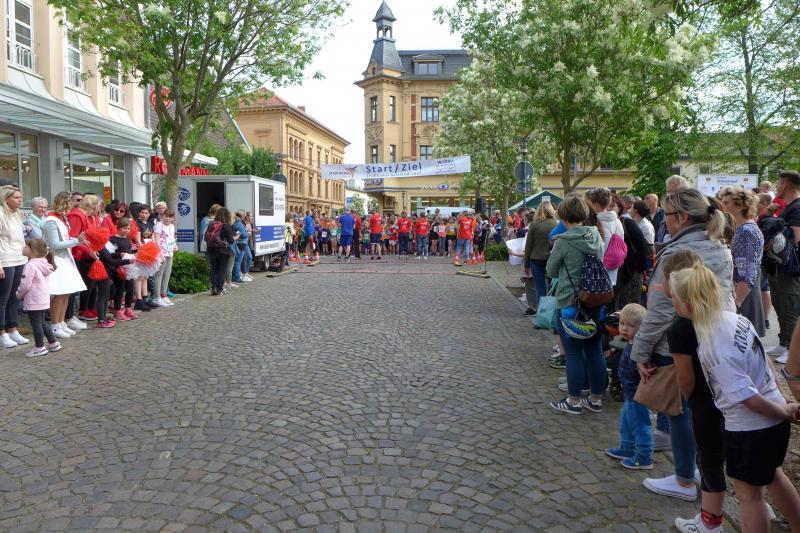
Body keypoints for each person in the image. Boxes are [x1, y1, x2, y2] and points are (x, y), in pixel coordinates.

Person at [670, 264, 800, 532]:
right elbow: (764, 361)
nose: (672, 302)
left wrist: (784, 411)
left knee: (750, 497)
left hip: (751, 428)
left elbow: (746, 397)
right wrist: (782, 401)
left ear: (687, 304)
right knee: (774, 476)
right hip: (772, 418)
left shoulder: (712, 344)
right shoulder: (736, 319)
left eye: (673, 297)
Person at [632, 187, 732, 502]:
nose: (665, 220)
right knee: (705, 413)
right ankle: (703, 471)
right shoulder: (719, 247)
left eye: (668, 215)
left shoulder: (677, 253)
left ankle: (683, 479)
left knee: (680, 413)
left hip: (676, 346)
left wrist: (640, 351)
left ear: (683, 217)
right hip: (713, 342)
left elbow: (661, 310)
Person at [660, 250, 727, 533]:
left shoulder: (680, 329)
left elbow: (685, 380)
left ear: (684, 302)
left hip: (705, 403)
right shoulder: (721, 317)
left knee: (710, 461)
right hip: (730, 400)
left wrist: (690, 399)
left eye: (674, 298)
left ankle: (710, 523)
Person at [546, 195, 606, 415]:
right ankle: (596, 399)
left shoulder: (563, 240)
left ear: (563, 215)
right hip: (595, 301)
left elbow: (551, 271)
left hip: (569, 302)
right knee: (595, 351)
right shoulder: (595, 235)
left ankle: (573, 401)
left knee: (573, 354)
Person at [605, 303, 652, 469]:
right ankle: (627, 448)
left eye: (632, 326)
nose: (625, 328)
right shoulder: (630, 342)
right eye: (622, 323)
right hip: (628, 393)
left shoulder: (642, 346)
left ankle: (644, 456)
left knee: (639, 425)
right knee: (626, 422)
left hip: (637, 395)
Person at [719, 187, 766, 339]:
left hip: (744, 293)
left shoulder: (747, 231)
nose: (722, 206)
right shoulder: (741, 228)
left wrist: (737, 303)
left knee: (744, 340)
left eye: (726, 203)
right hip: (741, 290)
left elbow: (747, 272)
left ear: (740, 206)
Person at [764, 171, 800, 363]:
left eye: (779, 183)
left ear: (785, 185)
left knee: (790, 308)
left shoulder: (797, 208)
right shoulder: (787, 207)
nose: (777, 186)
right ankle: (783, 343)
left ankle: (793, 350)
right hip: (778, 266)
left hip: (789, 269)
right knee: (779, 304)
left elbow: (797, 240)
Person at [42, 191, 88, 336]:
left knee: (66, 293)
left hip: (64, 259)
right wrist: (76, 241)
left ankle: (61, 322)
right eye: (70, 204)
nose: (72, 208)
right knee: (59, 294)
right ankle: (55, 325)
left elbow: (64, 240)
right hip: (56, 259)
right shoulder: (51, 221)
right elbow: (55, 244)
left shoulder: (62, 219)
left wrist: (76, 240)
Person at [16, 239, 61, 357]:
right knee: (42, 322)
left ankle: (39, 347)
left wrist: (19, 293)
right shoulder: (43, 263)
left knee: (36, 323)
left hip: (34, 299)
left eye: (26, 246)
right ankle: (53, 343)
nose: (23, 248)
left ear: (34, 251)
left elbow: (25, 284)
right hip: (43, 298)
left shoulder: (30, 265)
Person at [0, 186, 29, 348]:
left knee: (14, 297)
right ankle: (2, 333)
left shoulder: (17, 213)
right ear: (6, 199)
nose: (20, 200)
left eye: (20, 197)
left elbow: (20, 239)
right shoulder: (0, 214)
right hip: (5, 259)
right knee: (3, 298)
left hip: (19, 258)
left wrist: (26, 256)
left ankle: (13, 329)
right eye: (16, 197)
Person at [68, 194, 100, 321]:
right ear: (93, 206)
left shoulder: (83, 216)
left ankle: (70, 316)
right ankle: (69, 317)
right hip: (74, 254)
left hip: (79, 253)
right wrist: (89, 251)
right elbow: (73, 237)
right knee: (71, 289)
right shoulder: (77, 215)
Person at [522, 202, 557, 315]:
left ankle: (541, 314)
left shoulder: (534, 224)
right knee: (552, 287)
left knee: (539, 287)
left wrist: (526, 264)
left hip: (536, 259)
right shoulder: (556, 224)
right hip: (552, 259)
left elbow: (528, 246)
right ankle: (552, 313)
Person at [585, 187, 625, 286]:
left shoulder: (594, 223)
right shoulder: (618, 221)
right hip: (613, 272)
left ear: (596, 205)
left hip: (597, 275)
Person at [617, 202, 651, 308]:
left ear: (619, 208)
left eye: (612, 206)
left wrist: (637, 270)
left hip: (632, 272)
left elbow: (644, 249)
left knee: (631, 306)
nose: (609, 209)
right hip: (623, 273)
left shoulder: (628, 222)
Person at [110, 218, 138, 320]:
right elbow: (110, 254)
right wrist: (120, 254)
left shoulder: (127, 239)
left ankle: (128, 308)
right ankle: (117, 310)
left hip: (129, 267)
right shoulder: (113, 239)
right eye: (124, 228)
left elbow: (130, 252)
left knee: (130, 288)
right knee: (120, 289)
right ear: (118, 228)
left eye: (128, 229)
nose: (126, 230)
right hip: (119, 267)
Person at [206, 207, 235, 295]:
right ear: (227, 216)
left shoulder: (211, 224)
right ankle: (220, 289)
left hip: (211, 249)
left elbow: (206, 237)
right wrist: (235, 237)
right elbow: (231, 241)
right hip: (223, 251)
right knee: (222, 270)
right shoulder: (226, 226)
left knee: (214, 269)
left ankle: (214, 288)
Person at [152, 209, 178, 306]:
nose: (168, 218)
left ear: (173, 218)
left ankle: (164, 295)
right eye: (166, 216)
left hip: (169, 252)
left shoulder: (172, 226)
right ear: (163, 216)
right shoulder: (159, 225)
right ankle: (156, 297)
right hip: (161, 253)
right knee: (159, 274)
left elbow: (172, 238)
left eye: (170, 217)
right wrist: (160, 254)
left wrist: (175, 245)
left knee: (167, 274)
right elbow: (156, 240)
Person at [231, 211, 251, 283]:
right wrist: (248, 233)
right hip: (241, 244)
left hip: (239, 243)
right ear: (242, 216)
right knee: (238, 262)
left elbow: (238, 232)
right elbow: (243, 235)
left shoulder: (236, 223)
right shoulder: (239, 223)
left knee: (239, 261)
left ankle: (239, 276)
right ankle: (237, 277)